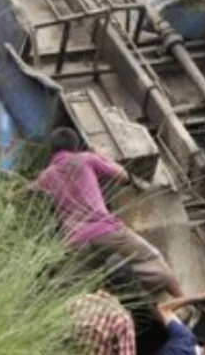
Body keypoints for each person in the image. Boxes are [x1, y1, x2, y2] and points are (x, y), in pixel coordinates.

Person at [30, 127, 184, 298]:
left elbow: (29, 191)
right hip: (107, 232)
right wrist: (101, 156)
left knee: (66, 290)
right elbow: (124, 177)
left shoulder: (46, 176)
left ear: (52, 150)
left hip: (76, 244)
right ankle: (186, 301)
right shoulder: (86, 159)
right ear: (75, 147)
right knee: (155, 263)